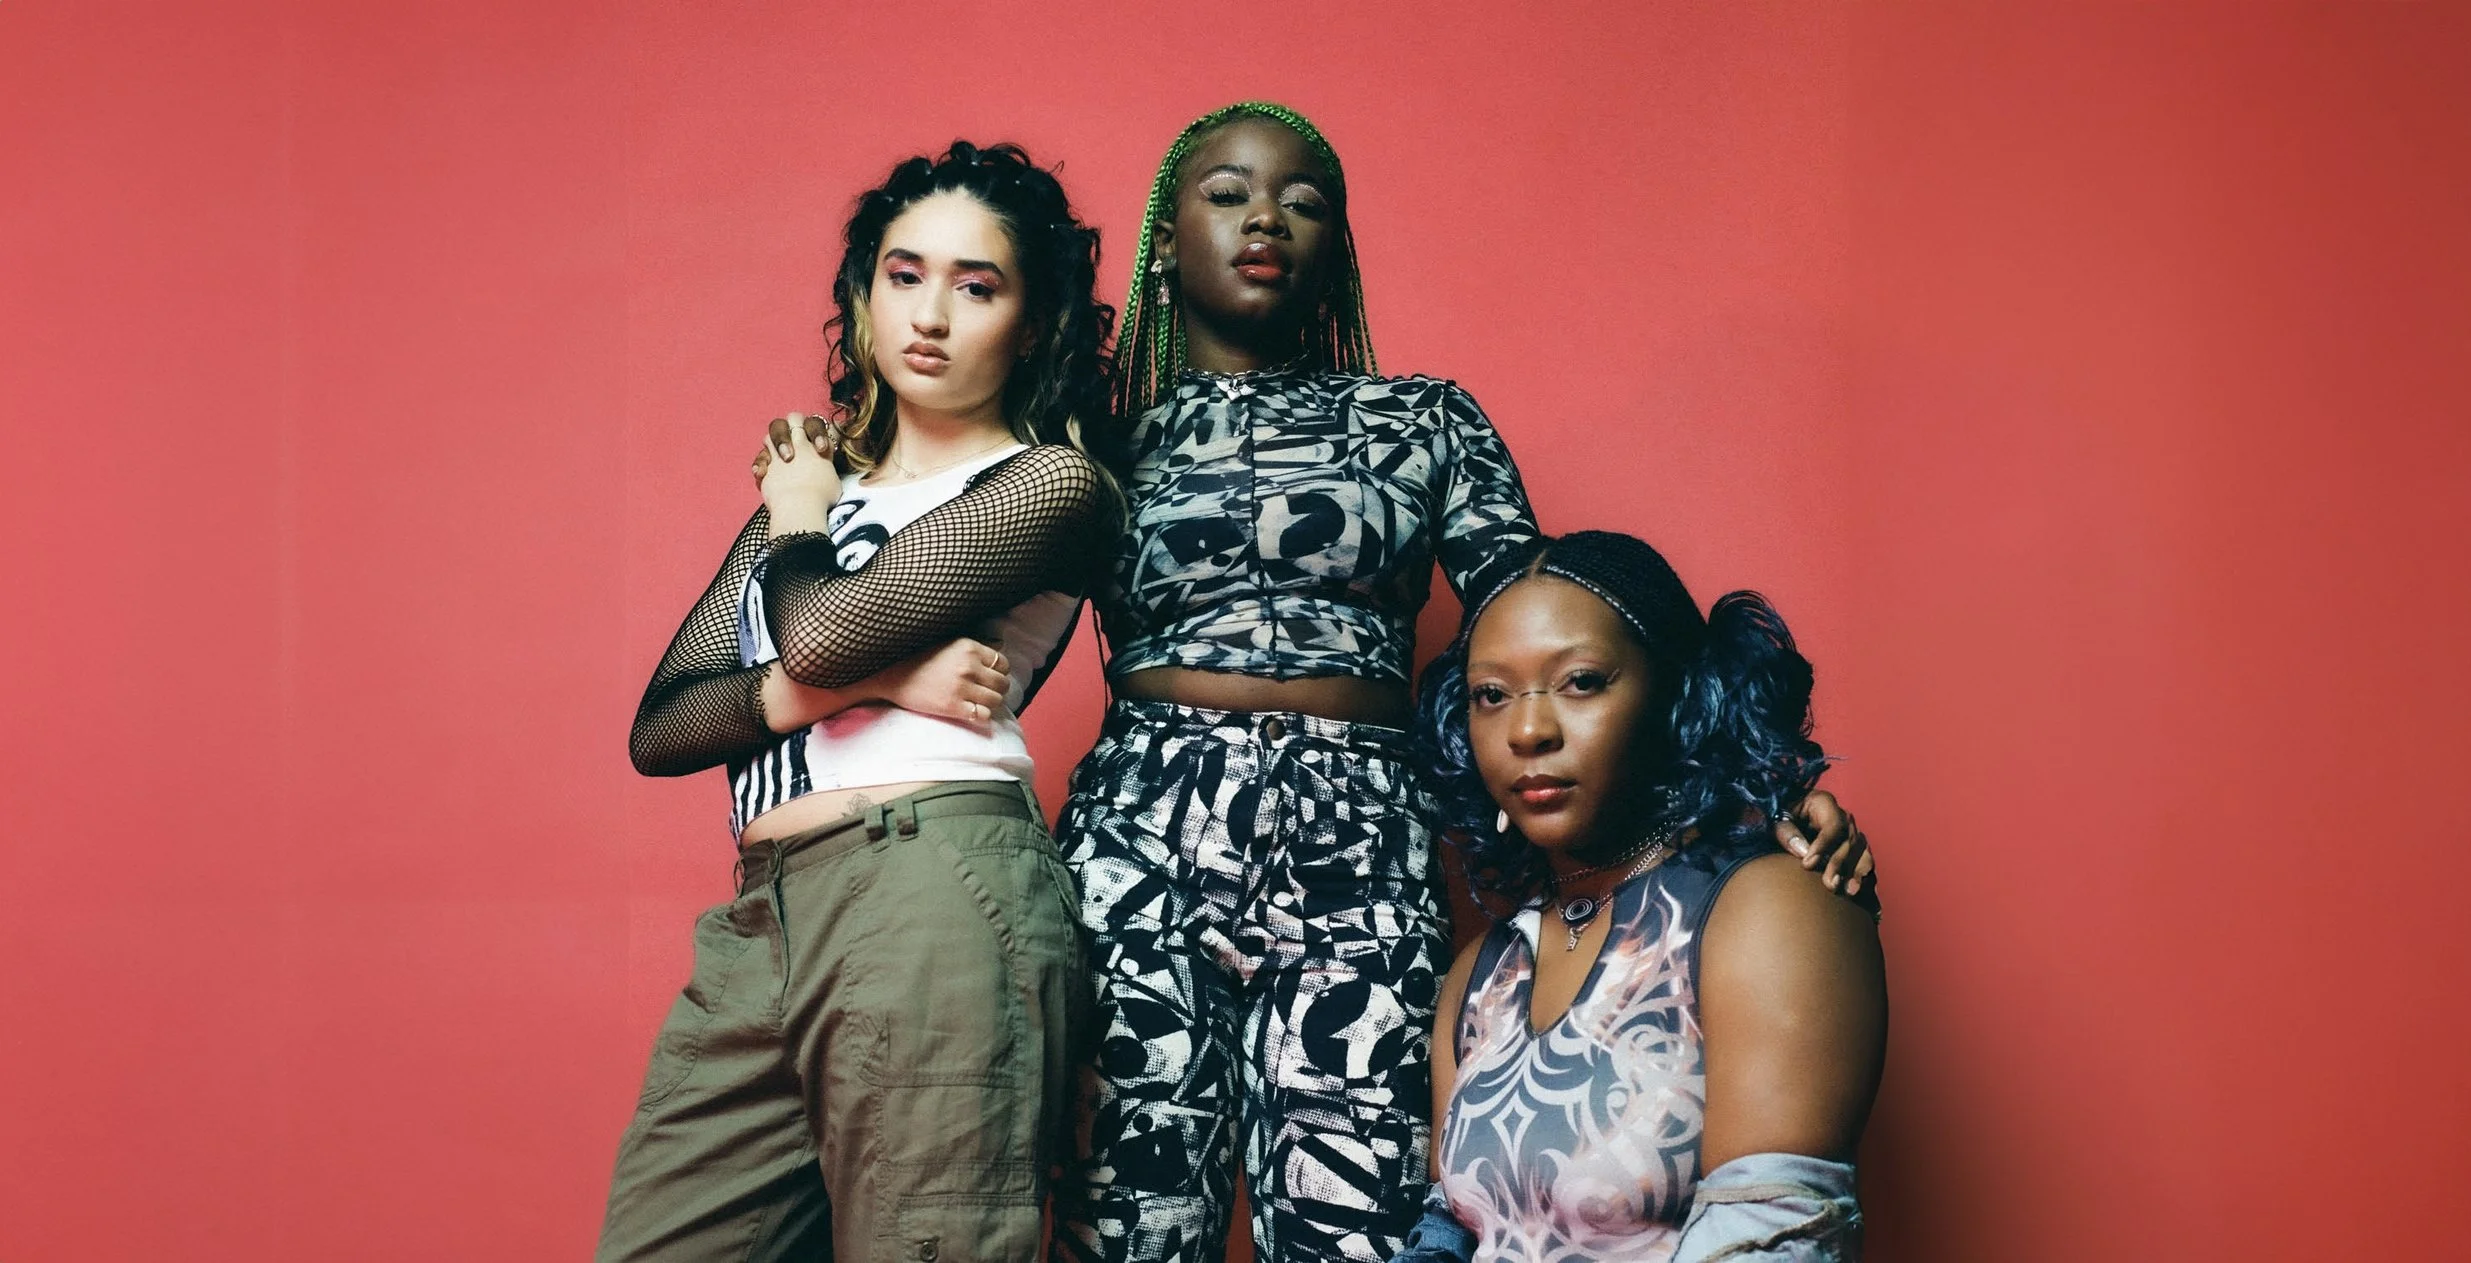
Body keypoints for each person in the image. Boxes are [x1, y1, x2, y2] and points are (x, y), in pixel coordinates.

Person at [1053, 102, 1879, 1263]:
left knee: (1358, 1223)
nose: (1266, 219)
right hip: (1140, 830)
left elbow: (1553, 629)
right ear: (1162, 236)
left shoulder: (1424, 422)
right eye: (1227, 191)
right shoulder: (1086, 435)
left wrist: (1760, 776)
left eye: (1303, 200)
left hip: (1357, 841)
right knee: (1125, 1217)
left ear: (1335, 242)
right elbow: (945, 560)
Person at [601, 141, 1118, 1262]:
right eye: (903, 274)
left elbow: (819, 626)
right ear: (863, 294)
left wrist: (798, 519)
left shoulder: (1046, 482)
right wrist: (879, 676)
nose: (928, 314)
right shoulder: (831, 489)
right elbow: (663, 727)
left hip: (930, 887)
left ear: (1031, 326)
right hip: (765, 915)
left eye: (975, 287)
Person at [1394, 530, 1886, 1262]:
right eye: (1490, 694)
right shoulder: (1479, 974)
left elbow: (1767, 1241)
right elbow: (1447, 1236)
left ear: (1676, 693)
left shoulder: (1774, 907)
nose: (1528, 729)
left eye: (1582, 680)